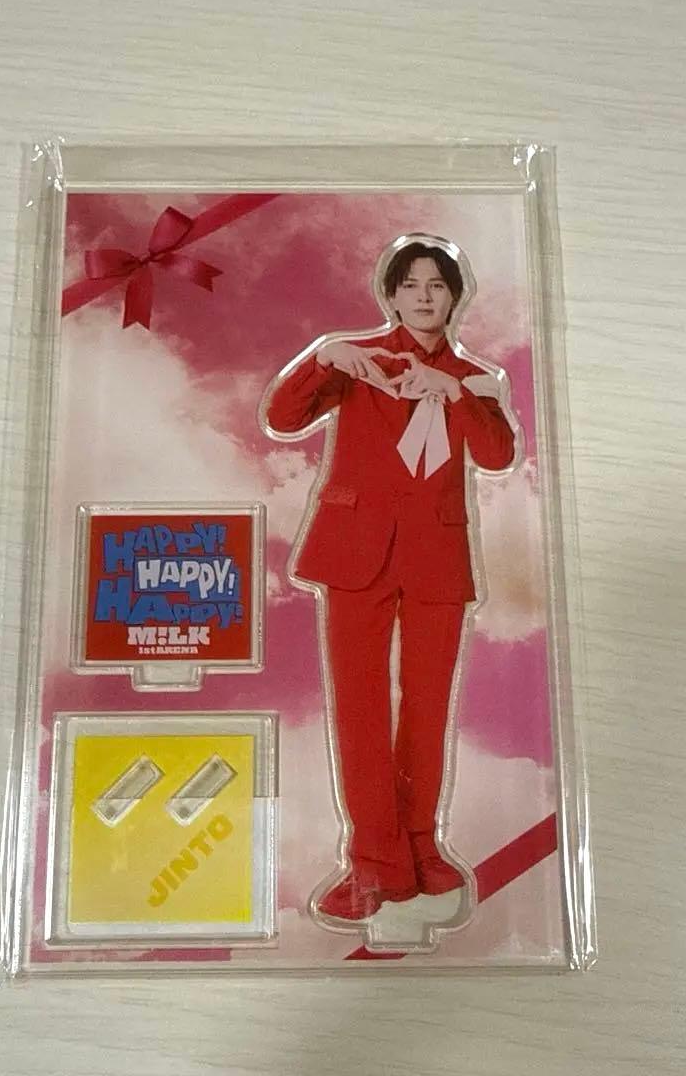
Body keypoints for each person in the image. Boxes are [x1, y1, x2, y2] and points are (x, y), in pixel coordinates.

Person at [262, 237, 516, 921]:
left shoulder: (474, 379)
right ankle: (375, 863)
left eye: (437, 285)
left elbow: (497, 455)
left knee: (429, 711)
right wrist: (323, 356)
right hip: (354, 553)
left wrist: (455, 393)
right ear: (391, 295)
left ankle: (421, 847)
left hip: (437, 557)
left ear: (455, 296)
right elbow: (283, 418)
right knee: (361, 711)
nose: (424, 297)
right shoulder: (360, 358)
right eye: (410, 285)